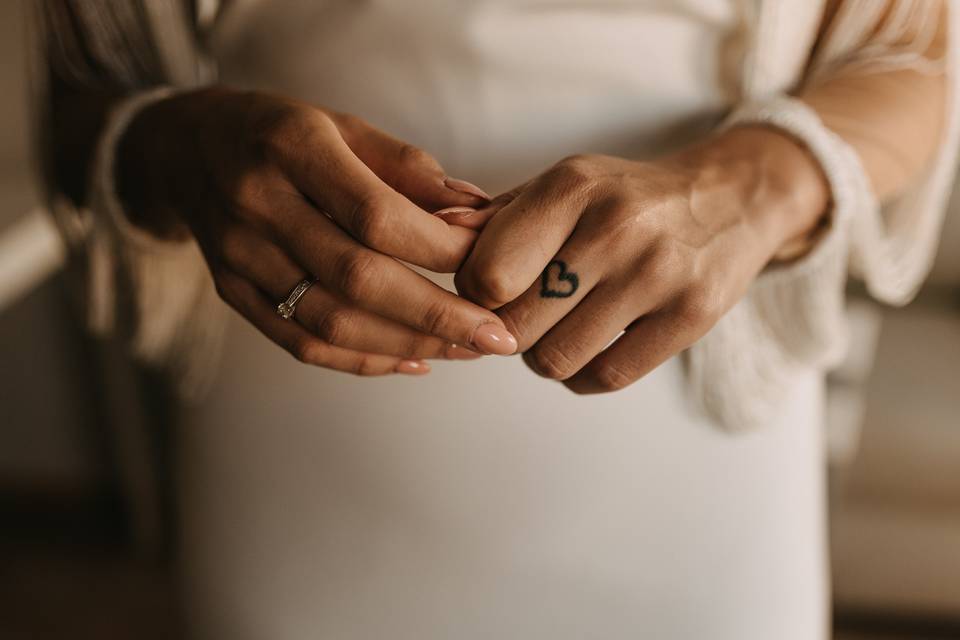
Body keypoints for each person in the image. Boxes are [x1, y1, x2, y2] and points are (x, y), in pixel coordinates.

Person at [33, 1, 956, 638]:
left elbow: (913, 58)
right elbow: (81, 98)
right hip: (299, 416)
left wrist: (746, 190)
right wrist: (180, 144)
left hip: (692, 453)